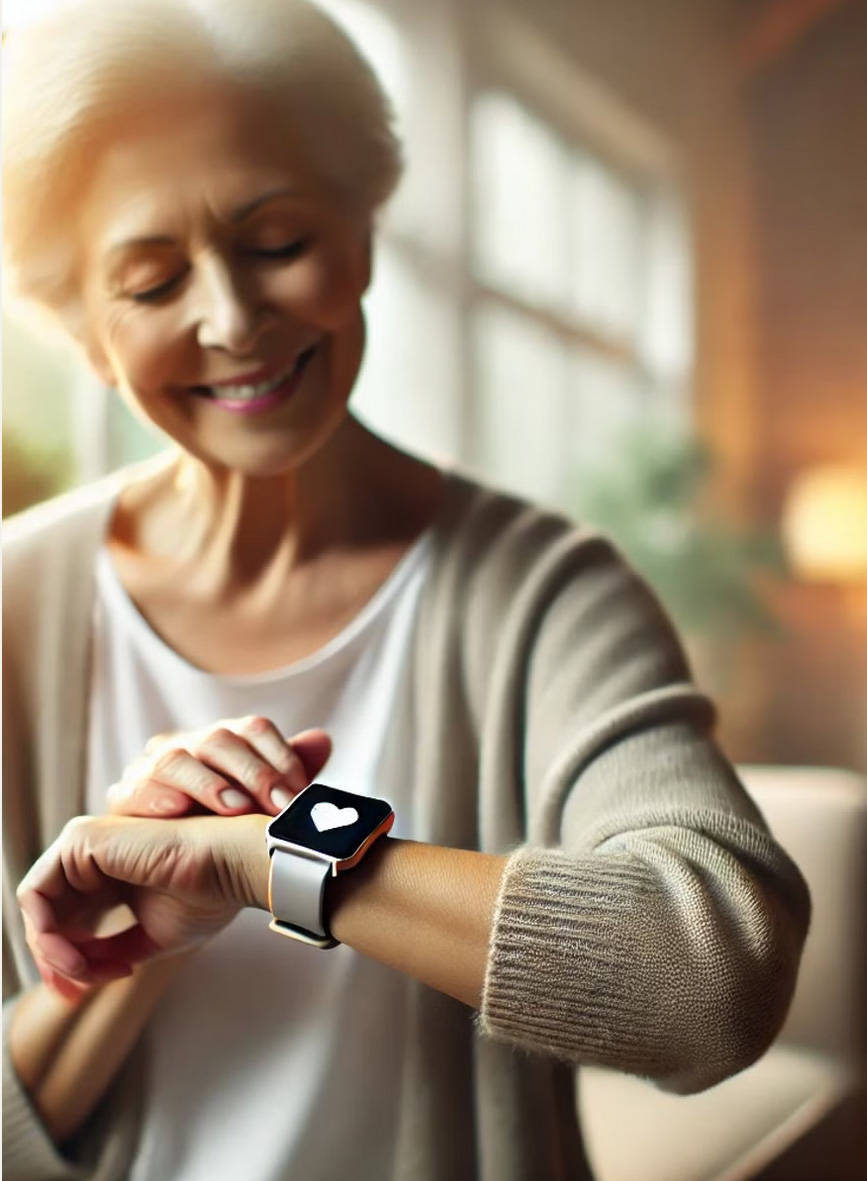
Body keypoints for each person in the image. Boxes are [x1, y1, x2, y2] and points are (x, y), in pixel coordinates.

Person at [2, 1, 811, 1179]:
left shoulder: (547, 591)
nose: (231, 318)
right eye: (152, 278)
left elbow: (713, 980)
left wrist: (267, 851)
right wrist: (160, 924)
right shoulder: (15, 602)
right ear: (84, 330)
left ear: (362, 227)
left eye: (275, 240)